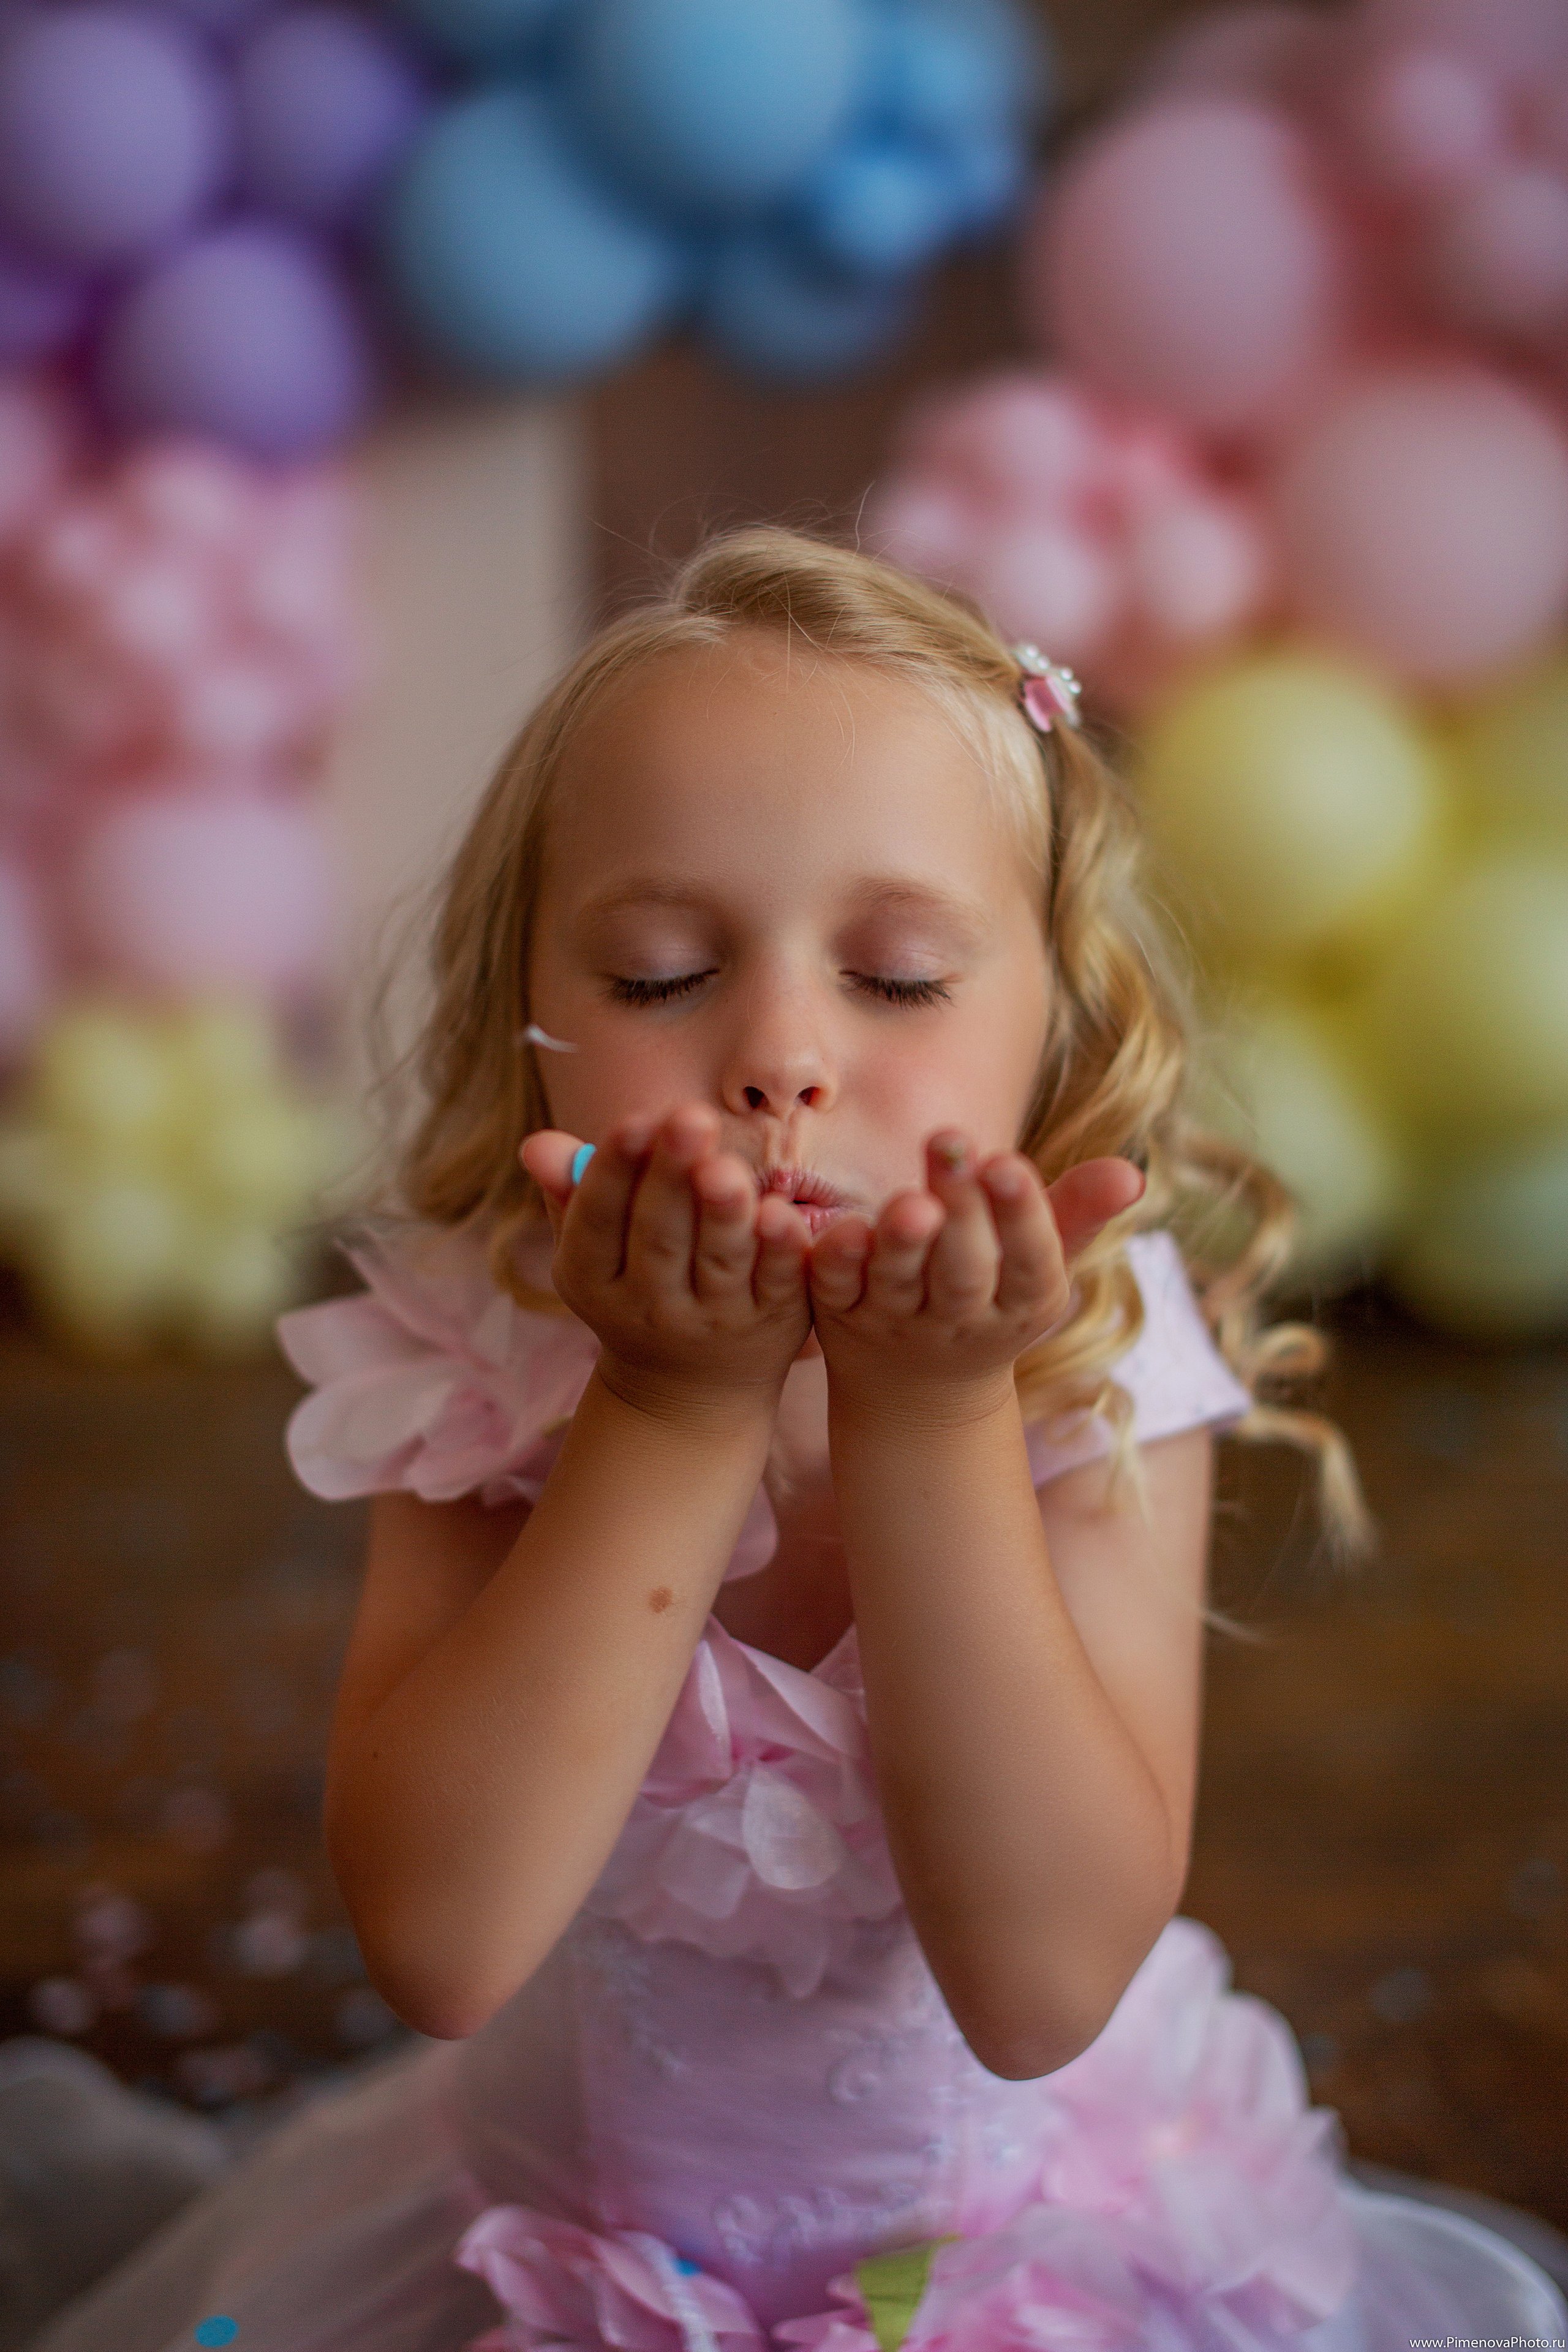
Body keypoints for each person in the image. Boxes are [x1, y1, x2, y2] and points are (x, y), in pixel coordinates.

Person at [30, 531, 1567, 2350]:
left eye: (901, 976)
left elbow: (1041, 1983)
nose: (777, 1056)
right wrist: (670, 1406)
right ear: (532, 1023)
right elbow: (443, 1945)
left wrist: (932, 1417)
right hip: (559, 2258)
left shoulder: (1097, 1368)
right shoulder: (469, 1362)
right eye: (665, 972)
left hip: (1035, 2266)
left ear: (1049, 1030)